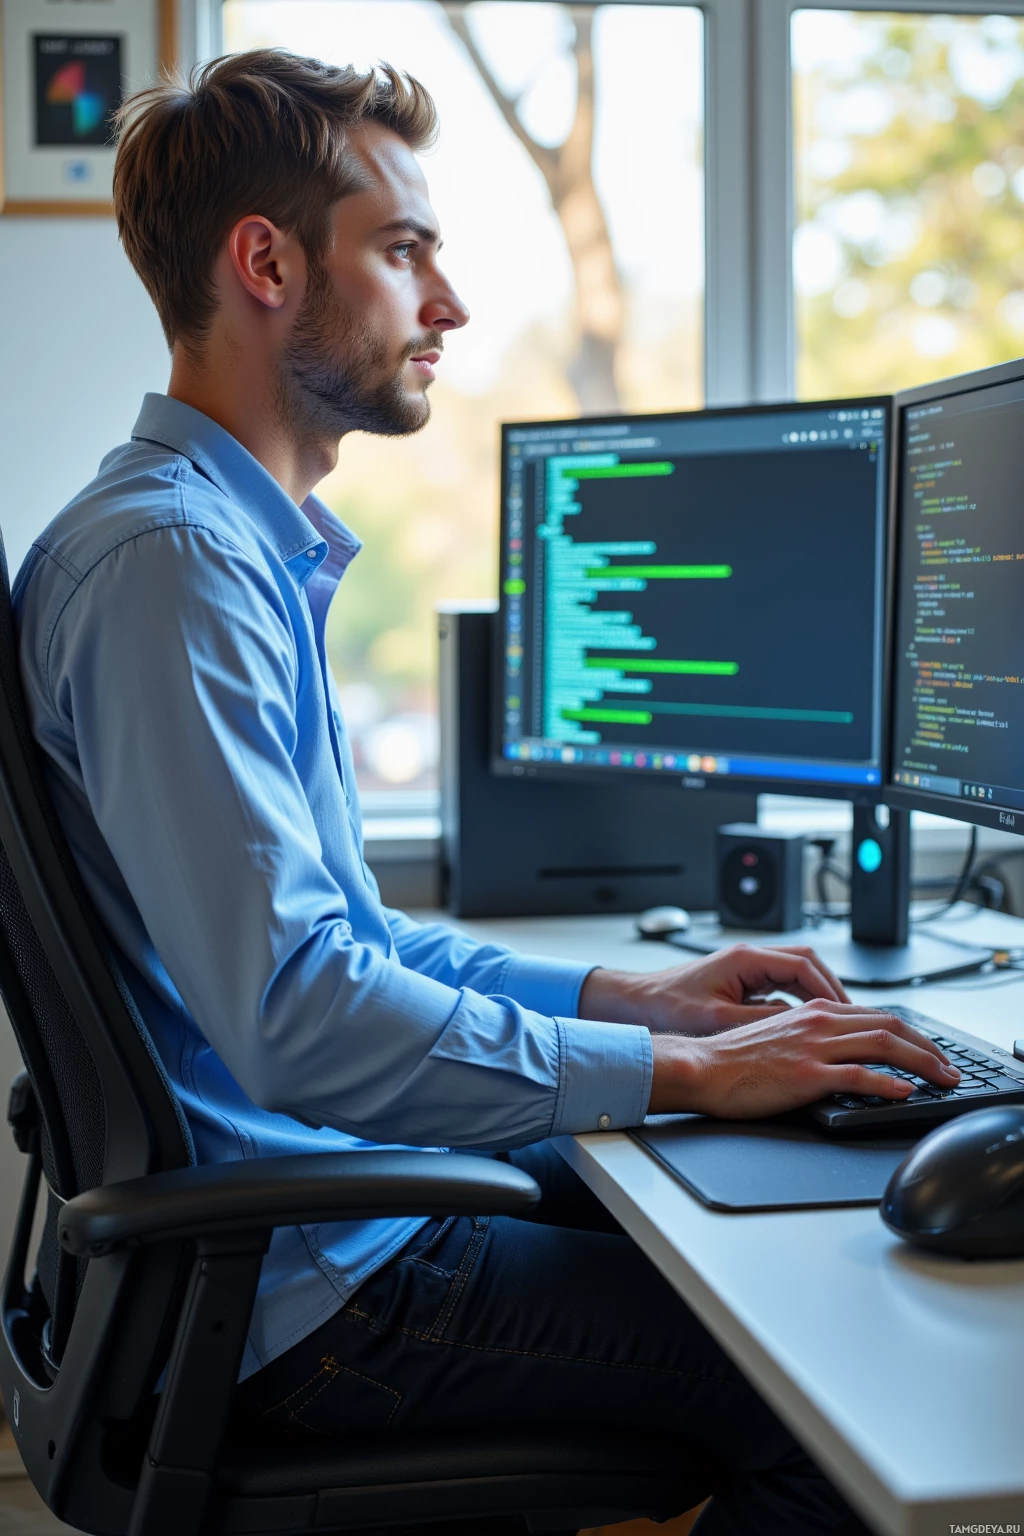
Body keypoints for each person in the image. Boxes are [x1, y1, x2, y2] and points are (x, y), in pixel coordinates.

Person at [13, 51, 959, 1534]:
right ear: (264, 263)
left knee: (781, 1203)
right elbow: (299, 1017)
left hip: (328, 1215)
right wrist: (693, 1077)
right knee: (842, 1395)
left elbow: (358, 948)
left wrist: (648, 1011)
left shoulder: (220, 550)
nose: (445, 304)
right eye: (403, 252)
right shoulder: (173, 571)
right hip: (318, 1293)